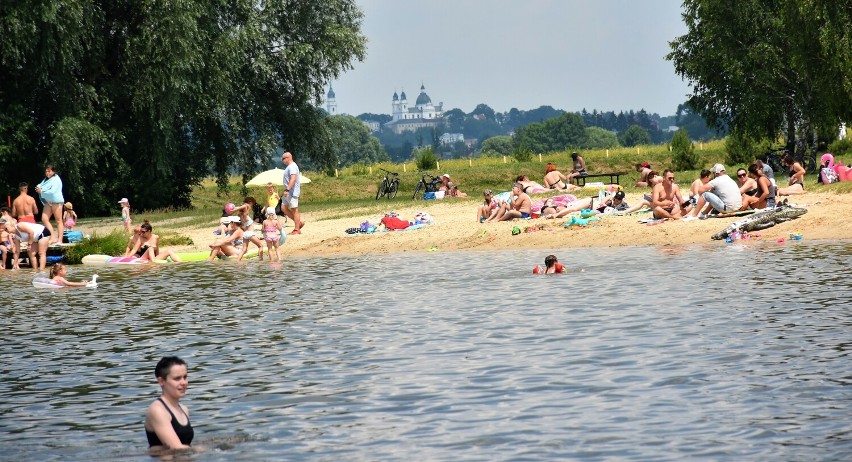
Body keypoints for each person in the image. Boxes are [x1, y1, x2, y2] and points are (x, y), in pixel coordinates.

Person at [145, 356, 194, 450]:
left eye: (185, 377)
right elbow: (176, 448)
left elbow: (186, 445)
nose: (183, 382)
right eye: (177, 378)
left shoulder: (184, 409)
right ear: (161, 381)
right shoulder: (157, 410)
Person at [34, 164, 65, 244]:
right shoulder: (46, 180)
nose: (47, 173)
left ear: (53, 171)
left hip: (56, 201)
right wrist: (38, 188)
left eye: (49, 171)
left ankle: (60, 240)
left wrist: (41, 191)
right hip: (48, 201)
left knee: (58, 220)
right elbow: (40, 185)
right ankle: (53, 237)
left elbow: (52, 191)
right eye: (46, 171)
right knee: (44, 219)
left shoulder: (56, 179)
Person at [231, 197, 265, 261]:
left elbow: (244, 206)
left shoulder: (241, 216)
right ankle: (261, 261)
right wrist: (236, 209)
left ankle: (237, 261)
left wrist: (236, 209)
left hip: (245, 234)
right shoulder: (245, 214)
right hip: (250, 233)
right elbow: (246, 206)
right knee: (261, 246)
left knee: (244, 249)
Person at [281, 151, 304, 235]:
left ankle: (297, 229)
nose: (282, 160)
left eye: (283, 158)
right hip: (288, 192)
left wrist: (287, 189)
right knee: (283, 208)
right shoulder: (289, 167)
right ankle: (299, 222)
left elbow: (293, 179)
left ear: (288, 158)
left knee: (294, 210)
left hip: (292, 192)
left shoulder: (292, 167)